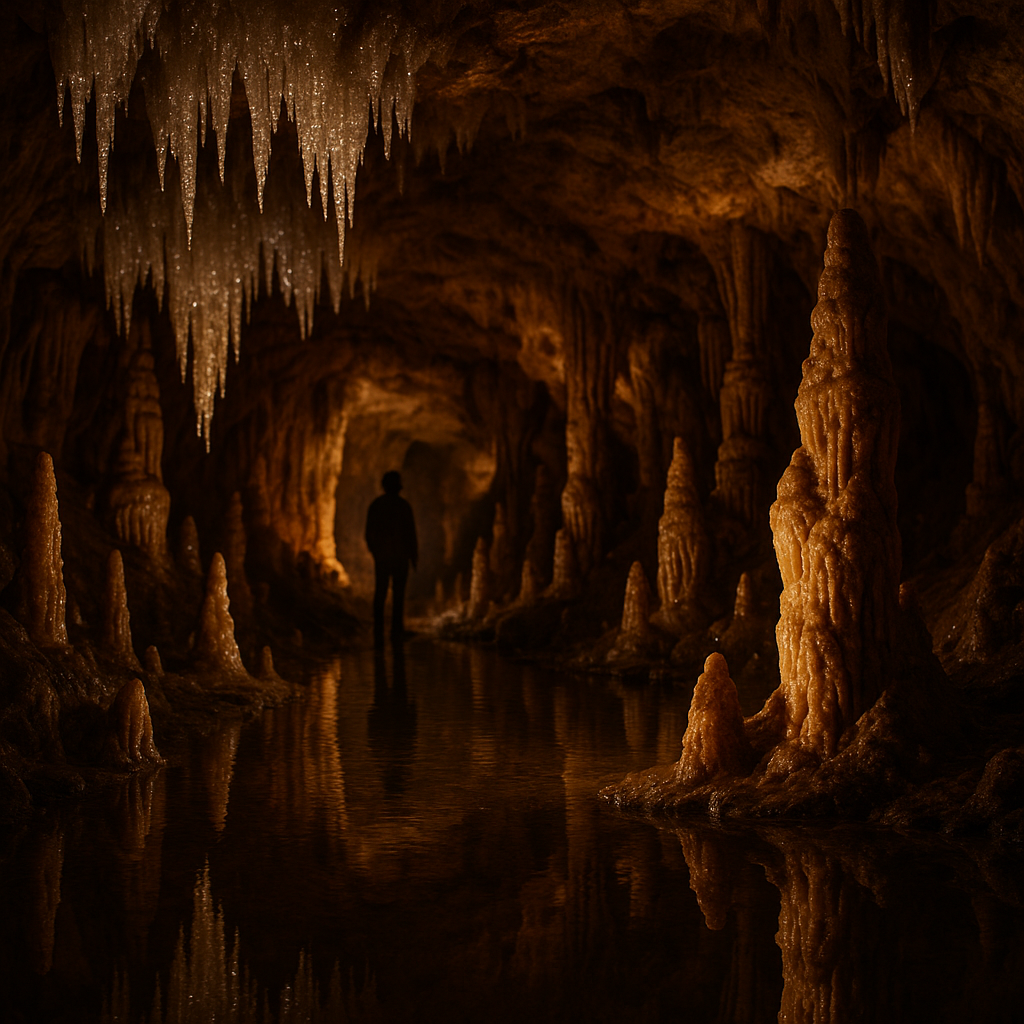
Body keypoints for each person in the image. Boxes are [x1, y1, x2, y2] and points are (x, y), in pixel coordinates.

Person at [365, 471, 418, 645]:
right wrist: (413, 556)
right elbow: (411, 534)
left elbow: (369, 533)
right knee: (397, 594)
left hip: (385, 557)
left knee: (381, 592)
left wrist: (376, 552)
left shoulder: (377, 505)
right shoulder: (403, 506)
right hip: (399, 558)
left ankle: (379, 630)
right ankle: (396, 630)